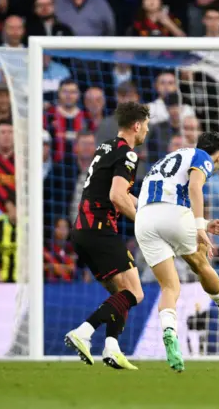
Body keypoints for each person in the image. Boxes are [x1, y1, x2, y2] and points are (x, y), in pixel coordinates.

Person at [136, 132, 219, 372]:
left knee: (170, 287)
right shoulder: (202, 156)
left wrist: (201, 223)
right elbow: (194, 187)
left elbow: (171, 194)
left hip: (144, 220)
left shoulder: (169, 159)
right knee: (201, 263)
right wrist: (199, 225)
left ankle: (169, 333)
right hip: (172, 215)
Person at [64, 102, 150, 370]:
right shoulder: (128, 155)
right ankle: (84, 332)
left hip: (84, 231)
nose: (147, 129)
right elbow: (116, 196)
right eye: (146, 124)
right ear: (137, 125)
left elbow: (116, 192)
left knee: (121, 292)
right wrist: (144, 221)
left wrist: (146, 206)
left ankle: (112, 348)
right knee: (135, 293)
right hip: (100, 230)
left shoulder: (106, 147)